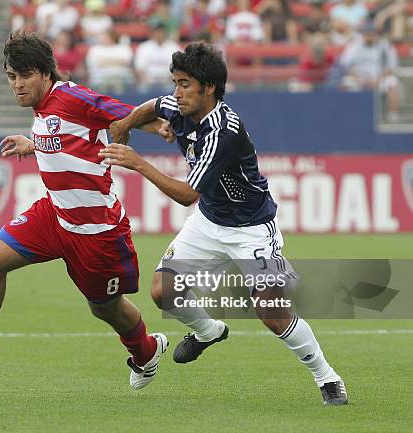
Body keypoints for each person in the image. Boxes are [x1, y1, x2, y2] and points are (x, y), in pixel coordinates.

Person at [103, 42, 348, 405]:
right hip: (209, 222)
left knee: (272, 311)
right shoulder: (179, 106)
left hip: (251, 229)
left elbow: (187, 194)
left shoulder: (223, 131)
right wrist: (125, 124)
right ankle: (208, 330)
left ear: (209, 88)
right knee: (162, 292)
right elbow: (153, 107)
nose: (177, 92)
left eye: (185, 84)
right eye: (175, 82)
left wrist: (137, 161)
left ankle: (327, 377)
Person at [0, 31, 168, 390]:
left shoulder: (72, 95)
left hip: (95, 231)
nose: (17, 85)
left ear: (45, 74)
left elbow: (124, 115)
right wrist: (33, 142)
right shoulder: (44, 108)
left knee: (105, 308)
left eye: (24, 76)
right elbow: (64, 137)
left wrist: (159, 126)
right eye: (11, 77)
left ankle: (146, 351)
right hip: (53, 216)